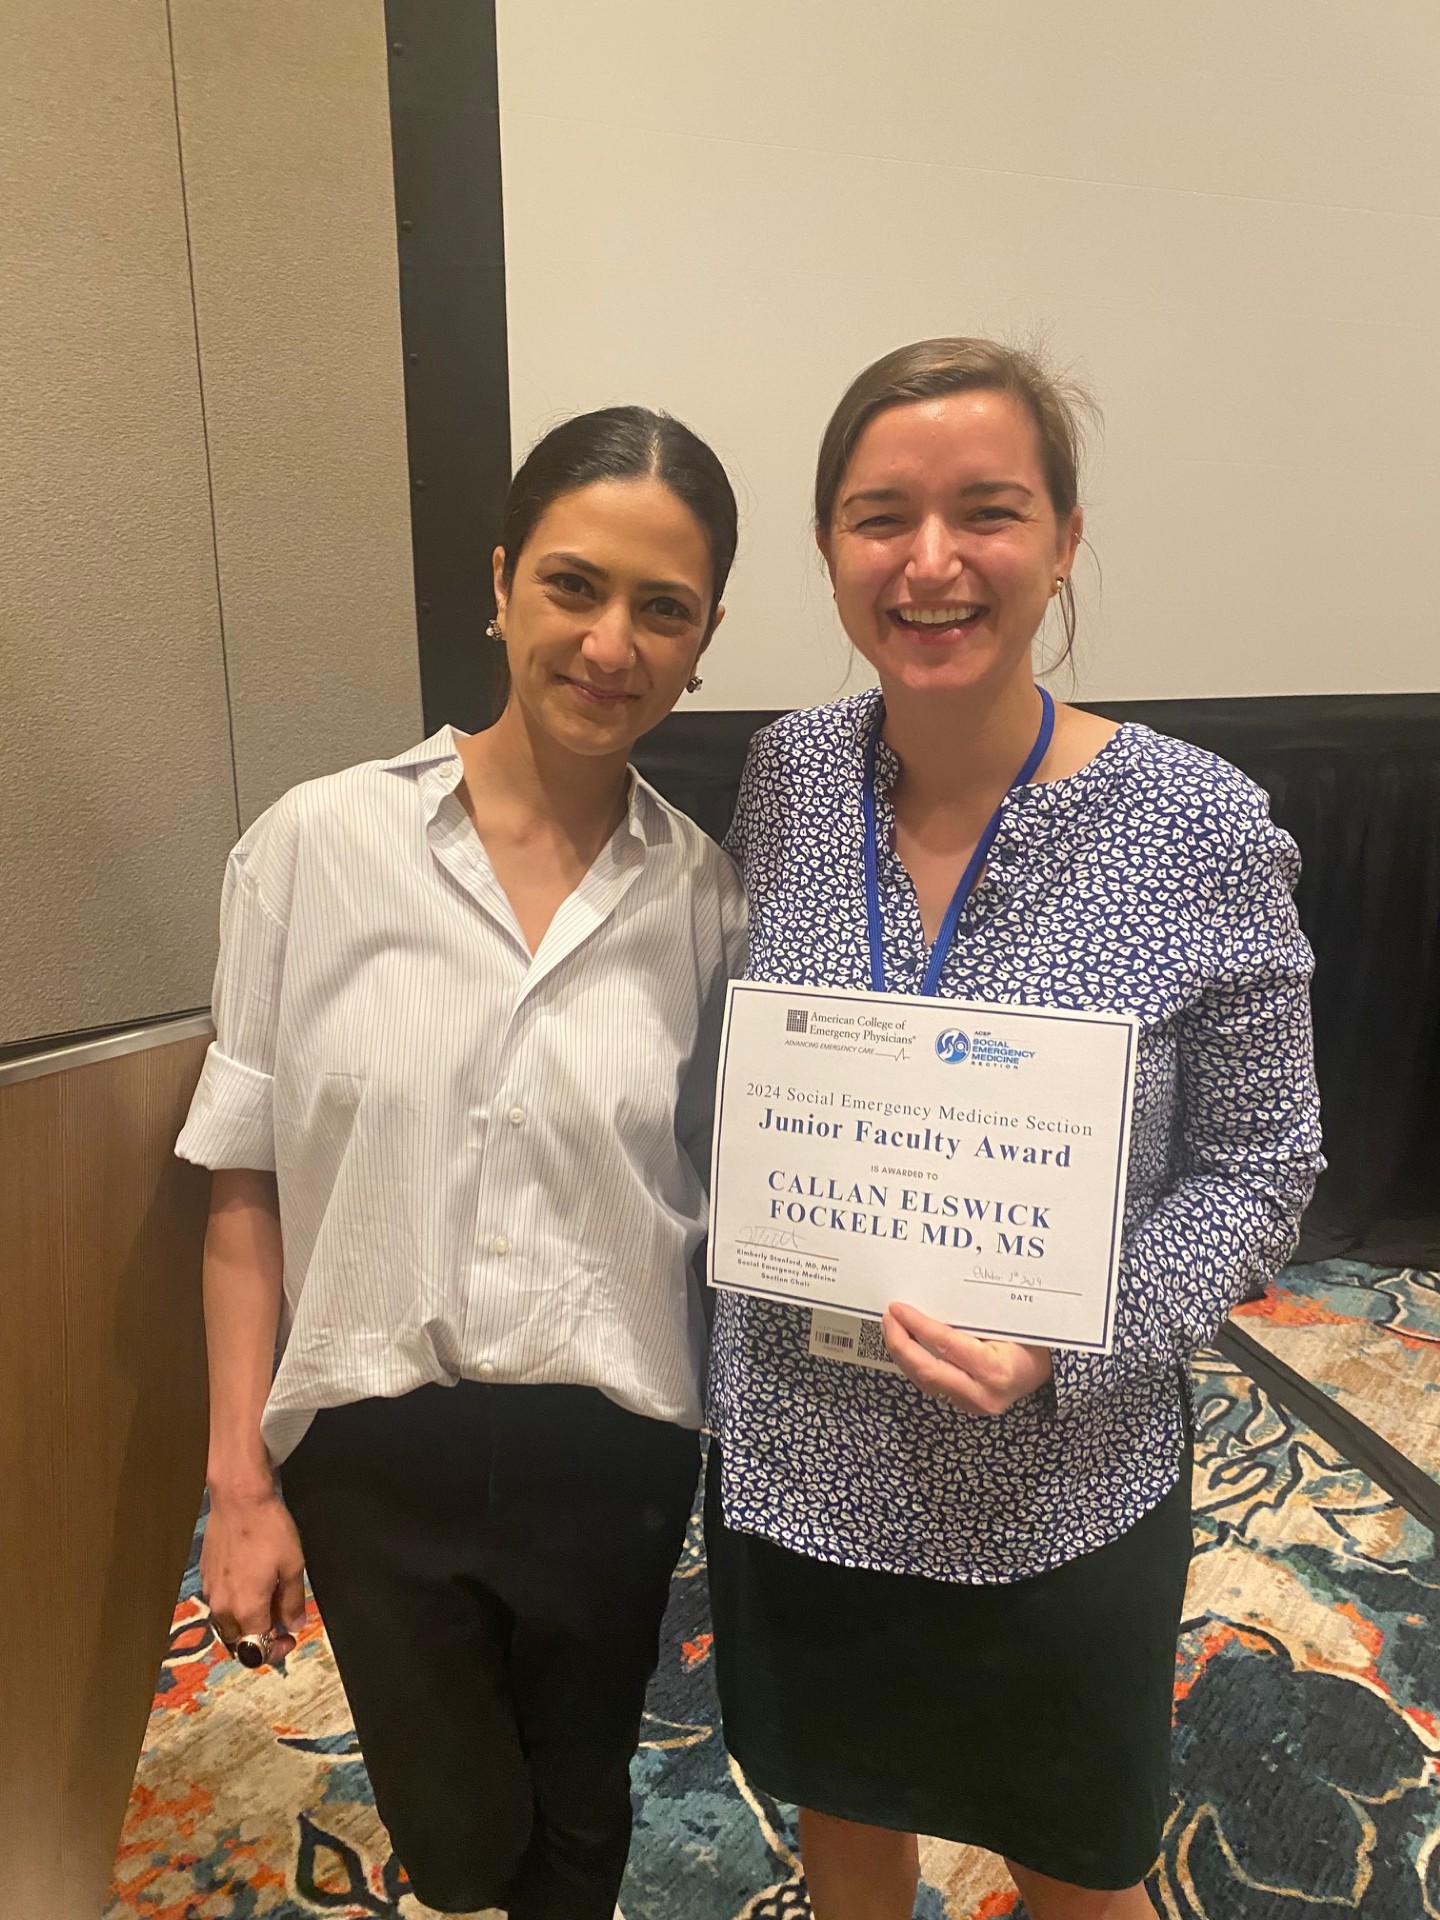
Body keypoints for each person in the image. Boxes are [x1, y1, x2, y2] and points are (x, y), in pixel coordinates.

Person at [704, 338, 1324, 1920]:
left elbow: (1262, 1165)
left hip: (1059, 1475)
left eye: (985, 511)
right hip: (804, 1456)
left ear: (1062, 540)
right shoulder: (782, 777)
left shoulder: (1197, 823)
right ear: (831, 549)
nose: (929, 564)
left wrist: (1075, 1336)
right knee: (845, 1816)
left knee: (1076, 1857)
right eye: (876, 516)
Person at [177, 406, 746, 1920]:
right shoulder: (311, 847)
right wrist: (240, 1479)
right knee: (456, 1834)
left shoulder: (710, 906)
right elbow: (245, 1186)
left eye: (662, 609)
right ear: (499, 583)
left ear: (703, 643)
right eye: (573, 585)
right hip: (375, 1455)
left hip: (614, 1452)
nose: (610, 643)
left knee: (580, 1816)